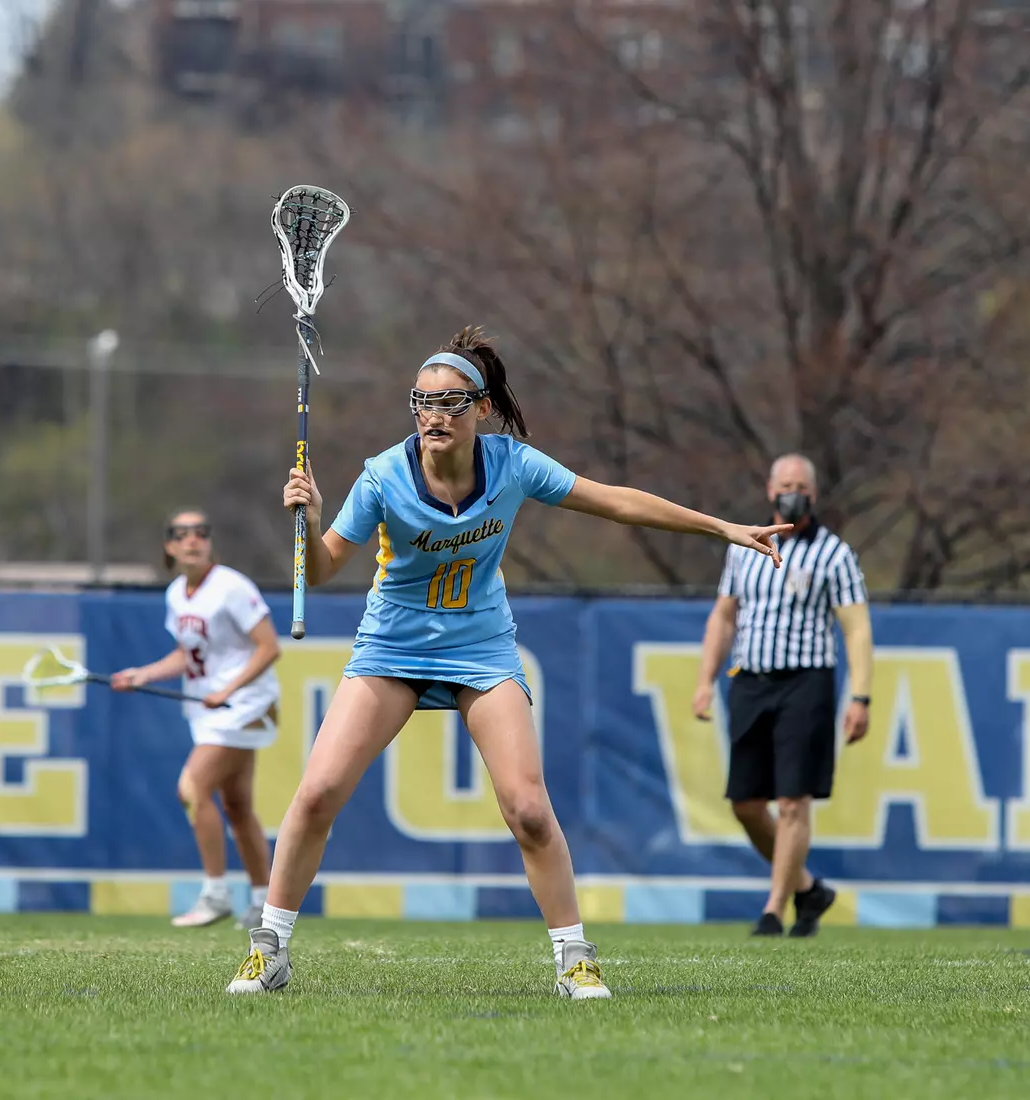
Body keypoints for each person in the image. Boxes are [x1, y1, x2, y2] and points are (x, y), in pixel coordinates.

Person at [225, 325, 793, 999]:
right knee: (317, 794)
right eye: (423, 402)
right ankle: (270, 947)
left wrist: (723, 528)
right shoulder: (381, 476)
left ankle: (574, 957)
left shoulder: (515, 466)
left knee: (527, 808)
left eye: (452, 402)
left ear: (483, 409)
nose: (436, 414)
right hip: (392, 646)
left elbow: (616, 502)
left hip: (482, 645)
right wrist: (311, 519)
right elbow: (320, 572)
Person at [692, 453, 872, 937]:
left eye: (802, 485)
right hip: (750, 678)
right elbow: (724, 616)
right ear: (770, 491)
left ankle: (775, 907)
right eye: (785, 483)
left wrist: (861, 696)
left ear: (813, 494)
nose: (793, 491)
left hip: (806, 680)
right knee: (746, 803)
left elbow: (855, 627)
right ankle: (809, 888)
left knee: (793, 802)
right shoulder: (743, 545)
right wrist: (705, 680)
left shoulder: (833, 552)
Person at [110, 509, 281, 931]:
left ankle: (216, 893)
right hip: (210, 709)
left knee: (192, 788)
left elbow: (268, 647)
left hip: (244, 706)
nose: (192, 540)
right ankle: (264, 902)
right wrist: (144, 674)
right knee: (238, 808)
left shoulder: (232, 587)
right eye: (182, 534)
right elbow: (188, 652)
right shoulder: (176, 594)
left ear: (209, 541)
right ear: (169, 546)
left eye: (200, 532)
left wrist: (229, 690)